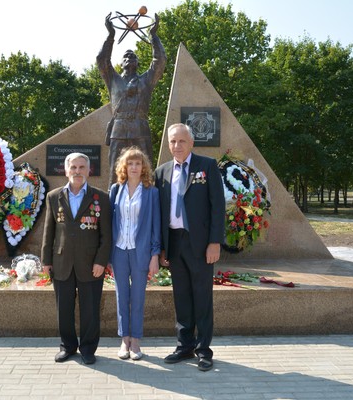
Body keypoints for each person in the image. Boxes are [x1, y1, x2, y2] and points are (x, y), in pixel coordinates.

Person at [154, 123, 226, 372]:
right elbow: (160, 213)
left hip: (201, 244)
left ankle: (203, 350)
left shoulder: (206, 166)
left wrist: (215, 241)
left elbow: (218, 206)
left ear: (191, 143)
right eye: (172, 141)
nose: (176, 146)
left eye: (181, 141)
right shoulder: (161, 172)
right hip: (174, 243)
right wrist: (162, 248)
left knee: (202, 298)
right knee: (181, 297)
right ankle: (184, 346)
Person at [41, 152, 112, 365]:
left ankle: (88, 349)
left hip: (91, 264)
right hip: (62, 262)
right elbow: (48, 231)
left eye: (82, 167)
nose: (77, 171)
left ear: (88, 170)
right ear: (66, 170)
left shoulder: (101, 197)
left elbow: (106, 235)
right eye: (73, 167)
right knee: (64, 308)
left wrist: (101, 261)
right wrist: (46, 260)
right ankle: (67, 346)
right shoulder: (54, 197)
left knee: (90, 309)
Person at [97, 11, 166, 187]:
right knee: (115, 173)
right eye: (126, 56)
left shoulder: (146, 80)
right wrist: (111, 36)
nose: (130, 58)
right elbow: (102, 59)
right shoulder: (113, 79)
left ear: (137, 63)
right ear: (121, 63)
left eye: (133, 56)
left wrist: (153, 36)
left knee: (146, 172)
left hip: (140, 129)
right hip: (118, 130)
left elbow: (160, 61)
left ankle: (148, 205)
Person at [108, 146, 161, 360]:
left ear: (143, 167)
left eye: (138, 163)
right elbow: (110, 223)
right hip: (119, 251)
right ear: (124, 166)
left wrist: (155, 255)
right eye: (130, 163)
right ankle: (124, 340)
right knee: (122, 296)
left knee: (138, 297)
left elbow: (156, 225)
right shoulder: (115, 190)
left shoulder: (151, 192)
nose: (134, 167)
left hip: (141, 252)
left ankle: (136, 341)